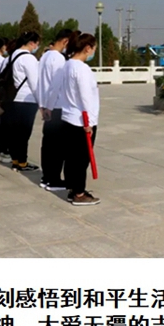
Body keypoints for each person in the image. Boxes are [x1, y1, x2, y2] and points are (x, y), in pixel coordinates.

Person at [58, 32, 101, 206]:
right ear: (87, 48)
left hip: (70, 116)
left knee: (71, 157)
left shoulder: (67, 65)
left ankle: (73, 188)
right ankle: (79, 193)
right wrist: (88, 122)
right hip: (81, 119)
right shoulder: (82, 68)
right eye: (94, 48)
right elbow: (85, 96)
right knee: (81, 158)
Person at [35, 28, 75, 191]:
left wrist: (42, 105)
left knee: (49, 145)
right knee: (57, 147)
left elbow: (40, 83)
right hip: (56, 106)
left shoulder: (45, 56)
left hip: (47, 105)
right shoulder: (58, 59)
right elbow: (56, 86)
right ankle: (53, 179)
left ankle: (47, 177)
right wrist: (50, 107)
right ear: (65, 41)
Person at [3, 31, 41, 173]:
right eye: (36, 44)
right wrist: (41, 102)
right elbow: (34, 83)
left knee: (14, 132)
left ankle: (15, 160)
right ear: (31, 43)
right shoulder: (29, 58)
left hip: (11, 98)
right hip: (27, 99)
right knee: (24, 133)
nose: (36, 47)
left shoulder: (11, 56)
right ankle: (22, 162)